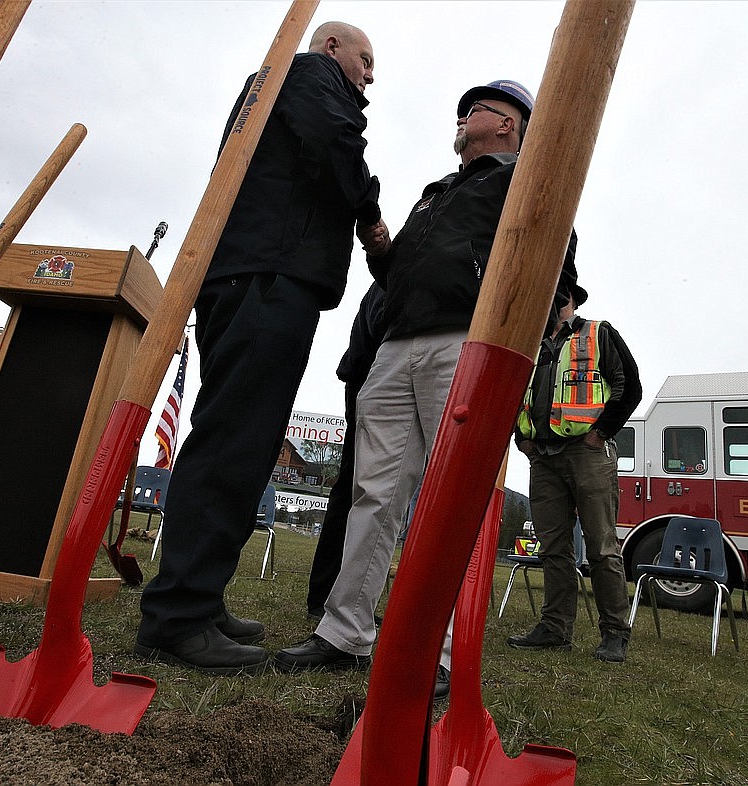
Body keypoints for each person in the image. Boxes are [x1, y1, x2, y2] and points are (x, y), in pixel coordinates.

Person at [275, 80, 578, 700]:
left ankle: (437, 653)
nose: (463, 116)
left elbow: (556, 261)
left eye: (477, 109)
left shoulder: (527, 179)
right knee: (374, 491)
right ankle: (344, 632)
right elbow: (400, 272)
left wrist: (524, 339)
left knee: (452, 499)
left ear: (509, 126)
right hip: (397, 345)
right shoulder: (437, 192)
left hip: (465, 345)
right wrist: (381, 244)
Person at [136, 21, 388, 675]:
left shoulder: (276, 87)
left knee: (236, 438)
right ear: (332, 48)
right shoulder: (310, 77)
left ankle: (198, 594)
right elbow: (332, 143)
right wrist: (369, 212)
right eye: (366, 61)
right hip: (270, 274)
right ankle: (179, 614)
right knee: (234, 441)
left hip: (252, 271)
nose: (369, 76)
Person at [507, 288, 642, 663]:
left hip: (587, 452)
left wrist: (602, 433)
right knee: (553, 548)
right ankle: (554, 628)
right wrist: (522, 439)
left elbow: (629, 385)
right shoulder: (531, 344)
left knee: (601, 547)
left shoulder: (598, 333)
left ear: (569, 297)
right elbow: (514, 392)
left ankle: (615, 632)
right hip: (543, 458)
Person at [305, 281, 385, 620]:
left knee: (360, 489)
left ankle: (337, 594)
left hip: (369, 378)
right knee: (355, 487)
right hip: (369, 379)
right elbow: (380, 327)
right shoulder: (397, 271)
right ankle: (326, 593)